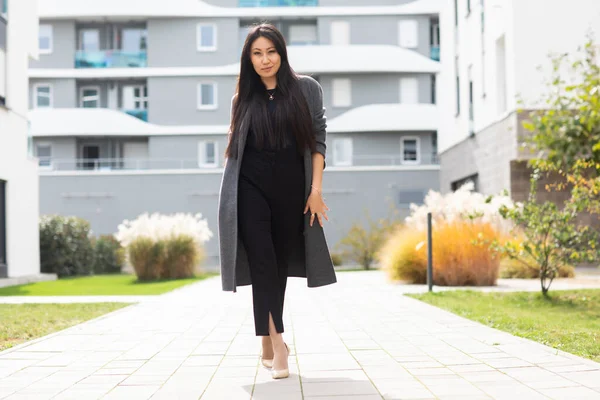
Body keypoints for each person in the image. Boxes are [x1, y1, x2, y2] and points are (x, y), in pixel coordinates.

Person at [217, 23, 337, 380]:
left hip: (290, 189)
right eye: (257, 53)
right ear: (248, 59)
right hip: (250, 188)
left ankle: (266, 340)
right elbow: (237, 152)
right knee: (263, 262)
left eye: (270, 51)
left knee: (278, 266)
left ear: (281, 53)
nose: (265, 59)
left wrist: (315, 191)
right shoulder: (242, 100)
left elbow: (319, 142)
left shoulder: (306, 90)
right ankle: (279, 343)